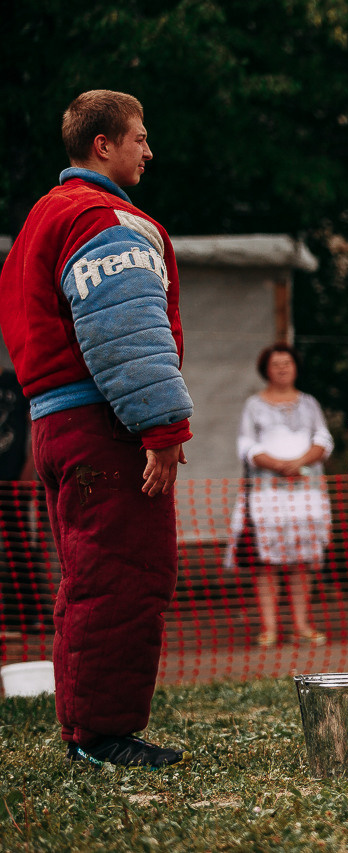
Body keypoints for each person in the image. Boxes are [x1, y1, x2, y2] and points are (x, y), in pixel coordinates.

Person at [0, 90, 191, 767]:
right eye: (139, 137)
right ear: (102, 145)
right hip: (105, 426)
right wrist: (163, 430)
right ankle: (105, 735)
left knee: (86, 577)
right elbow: (126, 334)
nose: (148, 150)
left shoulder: (39, 220)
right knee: (124, 575)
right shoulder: (101, 215)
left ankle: (85, 728)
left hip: (54, 424)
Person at [236, 343, 334, 647]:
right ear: (265, 368)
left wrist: (299, 463)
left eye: (287, 363)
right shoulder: (253, 405)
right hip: (267, 496)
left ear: (295, 367)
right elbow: (246, 445)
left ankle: (301, 626)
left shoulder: (310, 403)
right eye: (275, 363)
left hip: (307, 496)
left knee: (303, 560)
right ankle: (269, 628)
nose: (281, 368)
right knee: (267, 562)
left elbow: (323, 439)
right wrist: (278, 465)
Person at [0, 366, 53, 637]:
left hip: (12, 483)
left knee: (19, 547)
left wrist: (29, 467)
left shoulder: (13, 381)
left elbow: (35, 422)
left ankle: (29, 615)